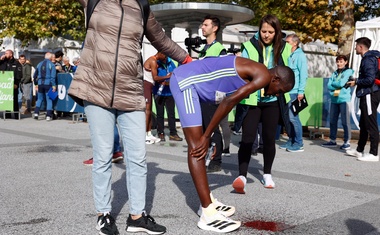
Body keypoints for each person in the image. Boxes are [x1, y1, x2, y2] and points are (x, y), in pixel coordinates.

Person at [67, 0, 191, 234]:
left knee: (137, 157)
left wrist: (187, 60)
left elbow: (161, 40)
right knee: (103, 156)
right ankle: (103, 214)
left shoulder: (140, 5)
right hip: (96, 88)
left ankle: (137, 216)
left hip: (130, 90)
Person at [170, 55, 295, 233]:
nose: (277, 94)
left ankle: (208, 201)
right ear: (275, 78)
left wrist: (208, 134)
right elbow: (229, 101)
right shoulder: (263, 76)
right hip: (186, 83)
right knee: (196, 146)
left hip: (196, 86)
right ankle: (207, 212)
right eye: (280, 90)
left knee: (200, 143)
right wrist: (207, 136)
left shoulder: (257, 71)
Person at [232, 14, 292, 192]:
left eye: (270, 32)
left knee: (269, 139)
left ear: (277, 32)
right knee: (247, 138)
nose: (266, 35)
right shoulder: (248, 46)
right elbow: (241, 70)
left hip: (273, 100)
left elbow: (289, 71)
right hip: (252, 99)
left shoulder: (285, 48)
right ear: (259, 30)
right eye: (263, 31)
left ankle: (267, 174)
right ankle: (242, 175)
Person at [198, 15, 228, 171]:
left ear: (214, 28)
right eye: (202, 25)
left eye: (205, 25)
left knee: (213, 127)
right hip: (202, 95)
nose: (202, 27)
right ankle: (208, 156)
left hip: (212, 96)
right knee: (204, 128)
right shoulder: (205, 49)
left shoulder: (219, 49)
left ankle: (217, 161)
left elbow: (222, 74)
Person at [345, 37, 380, 162]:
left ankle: (374, 154)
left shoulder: (368, 59)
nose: (355, 48)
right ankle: (360, 150)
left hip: (370, 94)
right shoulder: (370, 58)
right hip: (367, 93)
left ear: (360, 47)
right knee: (364, 123)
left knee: (371, 123)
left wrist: (356, 82)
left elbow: (370, 79)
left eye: (356, 46)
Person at [279, 33, 308, 152]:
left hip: (295, 91)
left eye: (288, 42)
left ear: (295, 43)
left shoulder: (300, 55)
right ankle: (291, 140)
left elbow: (303, 74)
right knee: (288, 117)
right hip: (287, 90)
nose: (285, 44)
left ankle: (299, 143)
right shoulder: (288, 54)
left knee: (294, 118)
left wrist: (301, 91)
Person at [321, 55, 354, 150]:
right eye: (338, 61)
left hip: (344, 99)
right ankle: (332, 140)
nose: (339, 63)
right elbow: (329, 85)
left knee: (345, 122)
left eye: (341, 61)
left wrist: (335, 84)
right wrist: (336, 85)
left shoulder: (348, 72)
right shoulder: (334, 73)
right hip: (334, 99)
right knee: (332, 121)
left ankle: (347, 142)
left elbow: (341, 83)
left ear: (346, 62)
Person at [153, 52, 183, 142]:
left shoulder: (170, 62)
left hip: (169, 93)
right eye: (163, 57)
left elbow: (175, 75)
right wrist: (165, 79)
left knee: (171, 114)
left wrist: (169, 81)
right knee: (160, 114)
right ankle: (160, 133)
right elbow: (155, 77)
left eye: (166, 57)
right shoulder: (156, 62)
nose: (165, 59)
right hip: (159, 92)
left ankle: (173, 133)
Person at [143, 53, 161, 144]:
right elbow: (155, 77)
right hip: (146, 84)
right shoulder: (153, 60)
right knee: (147, 111)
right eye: (165, 56)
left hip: (150, 86)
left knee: (149, 110)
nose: (165, 58)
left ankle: (149, 133)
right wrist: (168, 76)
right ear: (160, 53)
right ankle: (144, 135)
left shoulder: (156, 61)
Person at [33, 52, 57, 121]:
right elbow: (53, 76)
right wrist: (54, 85)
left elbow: (34, 76)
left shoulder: (39, 64)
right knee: (49, 99)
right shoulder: (51, 65)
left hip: (40, 83)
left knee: (39, 99)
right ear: (50, 58)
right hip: (48, 84)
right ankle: (48, 115)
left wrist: (36, 84)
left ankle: (36, 113)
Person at [0, 49, 22, 119]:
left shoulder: (16, 63)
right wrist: (0, 60)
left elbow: (19, 74)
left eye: (6, 53)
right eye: (5, 53)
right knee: (6, 99)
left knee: (15, 100)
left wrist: (16, 83)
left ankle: (16, 115)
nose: (5, 54)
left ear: (11, 54)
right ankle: (7, 115)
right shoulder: (3, 62)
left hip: (13, 84)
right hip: (4, 84)